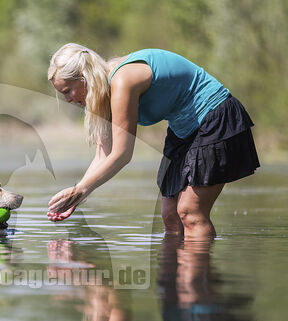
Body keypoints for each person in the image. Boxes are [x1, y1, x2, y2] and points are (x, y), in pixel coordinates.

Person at [46, 44, 260, 239]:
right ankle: (175, 280)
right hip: (183, 130)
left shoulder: (122, 81)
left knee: (190, 212)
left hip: (214, 115)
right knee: (171, 217)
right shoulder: (103, 94)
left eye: (67, 91)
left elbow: (122, 154)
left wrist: (81, 189)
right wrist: (77, 195)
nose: (68, 99)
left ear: (86, 78)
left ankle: (197, 281)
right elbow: (103, 155)